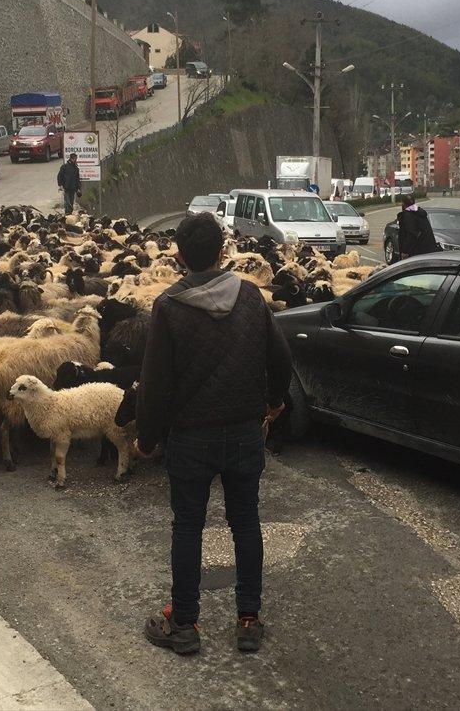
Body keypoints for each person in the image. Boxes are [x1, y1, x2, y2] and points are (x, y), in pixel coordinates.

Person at [135, 212, 293, 655]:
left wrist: (146, 439)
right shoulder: (249, 296)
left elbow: (155, 385)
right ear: (224, 250)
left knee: (188, 526)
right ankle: (248, 618)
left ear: (181, 256)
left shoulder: (168, 306)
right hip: (244, 432)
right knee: (245, 521)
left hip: (190, 437)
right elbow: (280, 358)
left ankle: (184, 623)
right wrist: (274, 401)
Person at [395, 195, 440, 260]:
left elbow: (411, 235)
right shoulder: (420, 213)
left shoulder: (408, 215)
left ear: (403, 204)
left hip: (415, 252)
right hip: (427, 250)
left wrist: (405, 251)